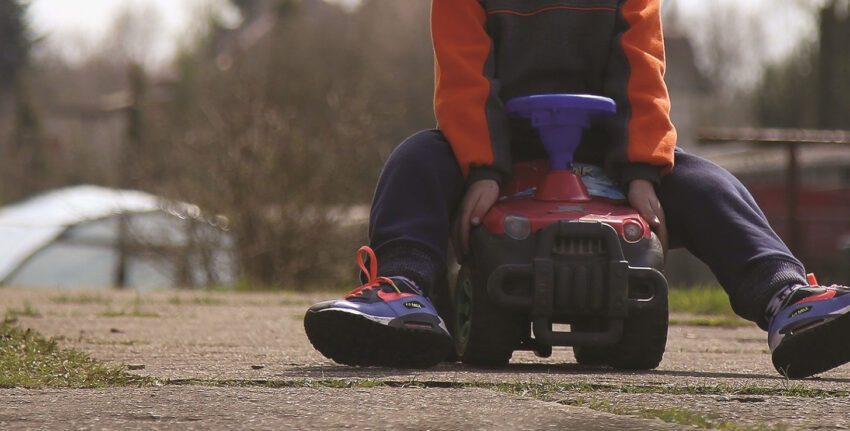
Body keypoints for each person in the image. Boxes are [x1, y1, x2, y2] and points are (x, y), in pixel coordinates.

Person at [304, 0, 850, 378]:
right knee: (416, 159)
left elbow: (641, 69)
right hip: (496, 154)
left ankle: (787, 298)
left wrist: (641, 169)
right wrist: (484, 170)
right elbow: (466, 78)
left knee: (706, 184)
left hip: (606, 158)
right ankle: (405, 291)